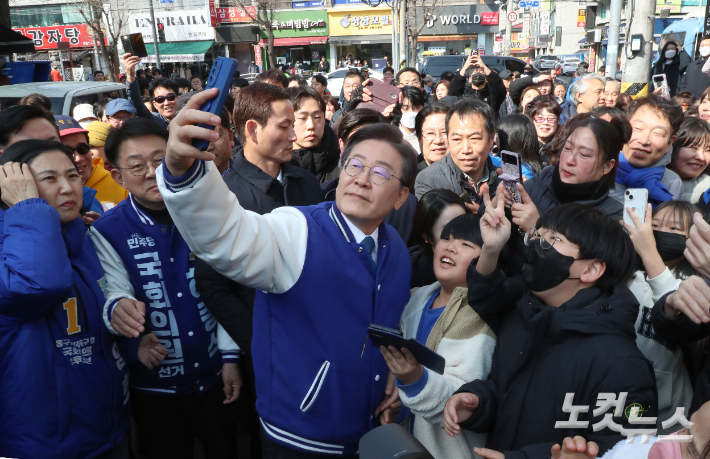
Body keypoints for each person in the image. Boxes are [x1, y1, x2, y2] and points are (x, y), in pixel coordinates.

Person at [156, 87, 418, 458]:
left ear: (401, 196)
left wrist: (391, 372)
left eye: (379, 173)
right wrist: (182, 172)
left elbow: (390, 324)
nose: (361, 179)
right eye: (355, 165)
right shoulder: (297, 229)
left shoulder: (396, 249)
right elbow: (226, 237)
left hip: (371, 432)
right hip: (299, 436)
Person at [444, 202, 657, 457]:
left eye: (553, 238)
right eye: (537, 234)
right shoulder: (524, 319)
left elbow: (623, 449)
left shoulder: (622, 364)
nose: (536, 244)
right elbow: (506, 393)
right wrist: (478, 401)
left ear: (591, 269)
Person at [90, 118, 241, 459]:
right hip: (153, 389)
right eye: (136, 165)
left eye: (159, 160)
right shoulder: (106, 232)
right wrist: (123, 321)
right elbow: (113, 292)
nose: (150, 172)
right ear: (117, 177)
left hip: (216, 377)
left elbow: (230, 287)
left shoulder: (205, 212)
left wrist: (230, 358)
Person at [194, 85, 325, 458]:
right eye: (284, 126)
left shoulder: (306, 182)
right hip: (262, 351)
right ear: (252, 130)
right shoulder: (224, 196)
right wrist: (258, 339)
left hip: (314, 339)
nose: (295, 135)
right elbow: (212, 284)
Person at [0, 139, 131, 459]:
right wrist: (27, 209)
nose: (66, 187)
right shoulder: (9, 250)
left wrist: (134, 346)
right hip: (42, 445)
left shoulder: (83, 236)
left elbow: (95, 321)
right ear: (17, 188)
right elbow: (39, 285)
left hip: (106, 431)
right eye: (47, 179)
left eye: (72, 175)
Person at [381, 213, 495, 458]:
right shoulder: (415, 298)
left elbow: (458, 405)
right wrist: (399, 407)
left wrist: (413, 378)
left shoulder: (478, 319)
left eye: (466, 244)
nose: (451, 247)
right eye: (446, 238)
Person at [622, 200, 699, 435]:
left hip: (666, 403)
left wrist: (649, 251)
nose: (661, 232)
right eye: (654, 225)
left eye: (675, 229)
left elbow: (676, 301)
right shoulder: (627, 272)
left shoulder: (692, 283)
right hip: (616, 385)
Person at [415, 99, 500, 207]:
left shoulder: (503, 179)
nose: (465, 149)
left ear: (491, 138)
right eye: (457, 139)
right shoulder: (429, 180)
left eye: (474, 138)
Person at [613, 94, 685, 206]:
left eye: (658, 133)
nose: (644, 140)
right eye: (637, 128)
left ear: (670, 142)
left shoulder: (672, 182)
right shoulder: (600, 170)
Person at [56, 115, 128, 210]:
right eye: (67, 151)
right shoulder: (46, 193)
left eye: (82, 148)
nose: (78, 158)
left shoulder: (120, 184)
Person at [409, 189, 469, 288]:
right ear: (427, 237)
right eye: (448, 230)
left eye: (464, 224)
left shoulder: (479, 261)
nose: (460, 234)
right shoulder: (411, 274)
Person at [287, 86, 341, 183]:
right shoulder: (275, 167)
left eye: (317, 117)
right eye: (303, 118)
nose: (311, 125)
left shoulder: (341, 165)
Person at [123, 53, 178, 128]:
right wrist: (130, 75)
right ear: (154, 104)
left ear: (177, 98)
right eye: (160, 99)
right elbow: (137, 103)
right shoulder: (153, 121)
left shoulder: (190, 118)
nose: (166, 103)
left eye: (170, 97)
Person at [668, 117, 710, 204]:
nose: (701, 157)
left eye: (708, 150)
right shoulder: (645, 182)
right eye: (693, 148)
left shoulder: (707, 191)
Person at [496, 114, 542, 179]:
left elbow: (496, 161)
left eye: (498, 135)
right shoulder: (530, 166)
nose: (496, 138)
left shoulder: (523, 172)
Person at [415, 101, 450, 172]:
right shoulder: (408, 176)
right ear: (419, 138)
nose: (438, 141)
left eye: (444, 132)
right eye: (430, 133)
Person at [527, 95, 562, 163]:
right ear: (531, 120)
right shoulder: (524, 144)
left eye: (551, 119)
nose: (545, 122)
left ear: (558, 121)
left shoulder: (563, 146)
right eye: (540, 118)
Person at [398, 86, 426, 154]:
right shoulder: (392, 135)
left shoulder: (427, 135)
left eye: (416, 108)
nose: (411, 112)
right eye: (405, 108)